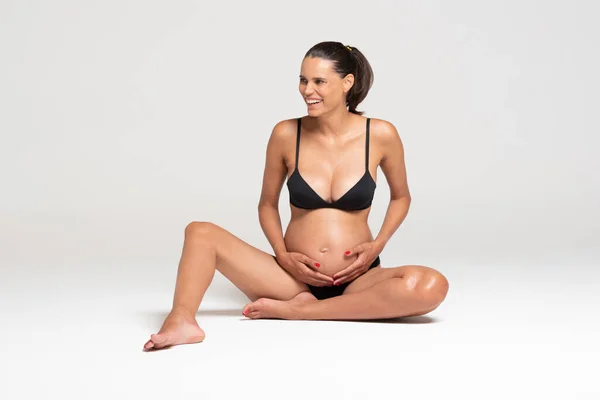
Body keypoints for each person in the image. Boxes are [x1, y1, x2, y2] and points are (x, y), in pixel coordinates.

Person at [143, 41, 449, 351]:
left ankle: (304, 312)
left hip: (359, 280)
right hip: (291, 281)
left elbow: (401, 197)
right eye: (303, 80)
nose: (307, 90)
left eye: (319, 82)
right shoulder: (286, 134)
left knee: (431, 286)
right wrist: (283, 254)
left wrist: (376, 246)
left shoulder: (381, 134)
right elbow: (267, 204)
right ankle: (181, 320)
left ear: (347, 83)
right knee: (200, 232)